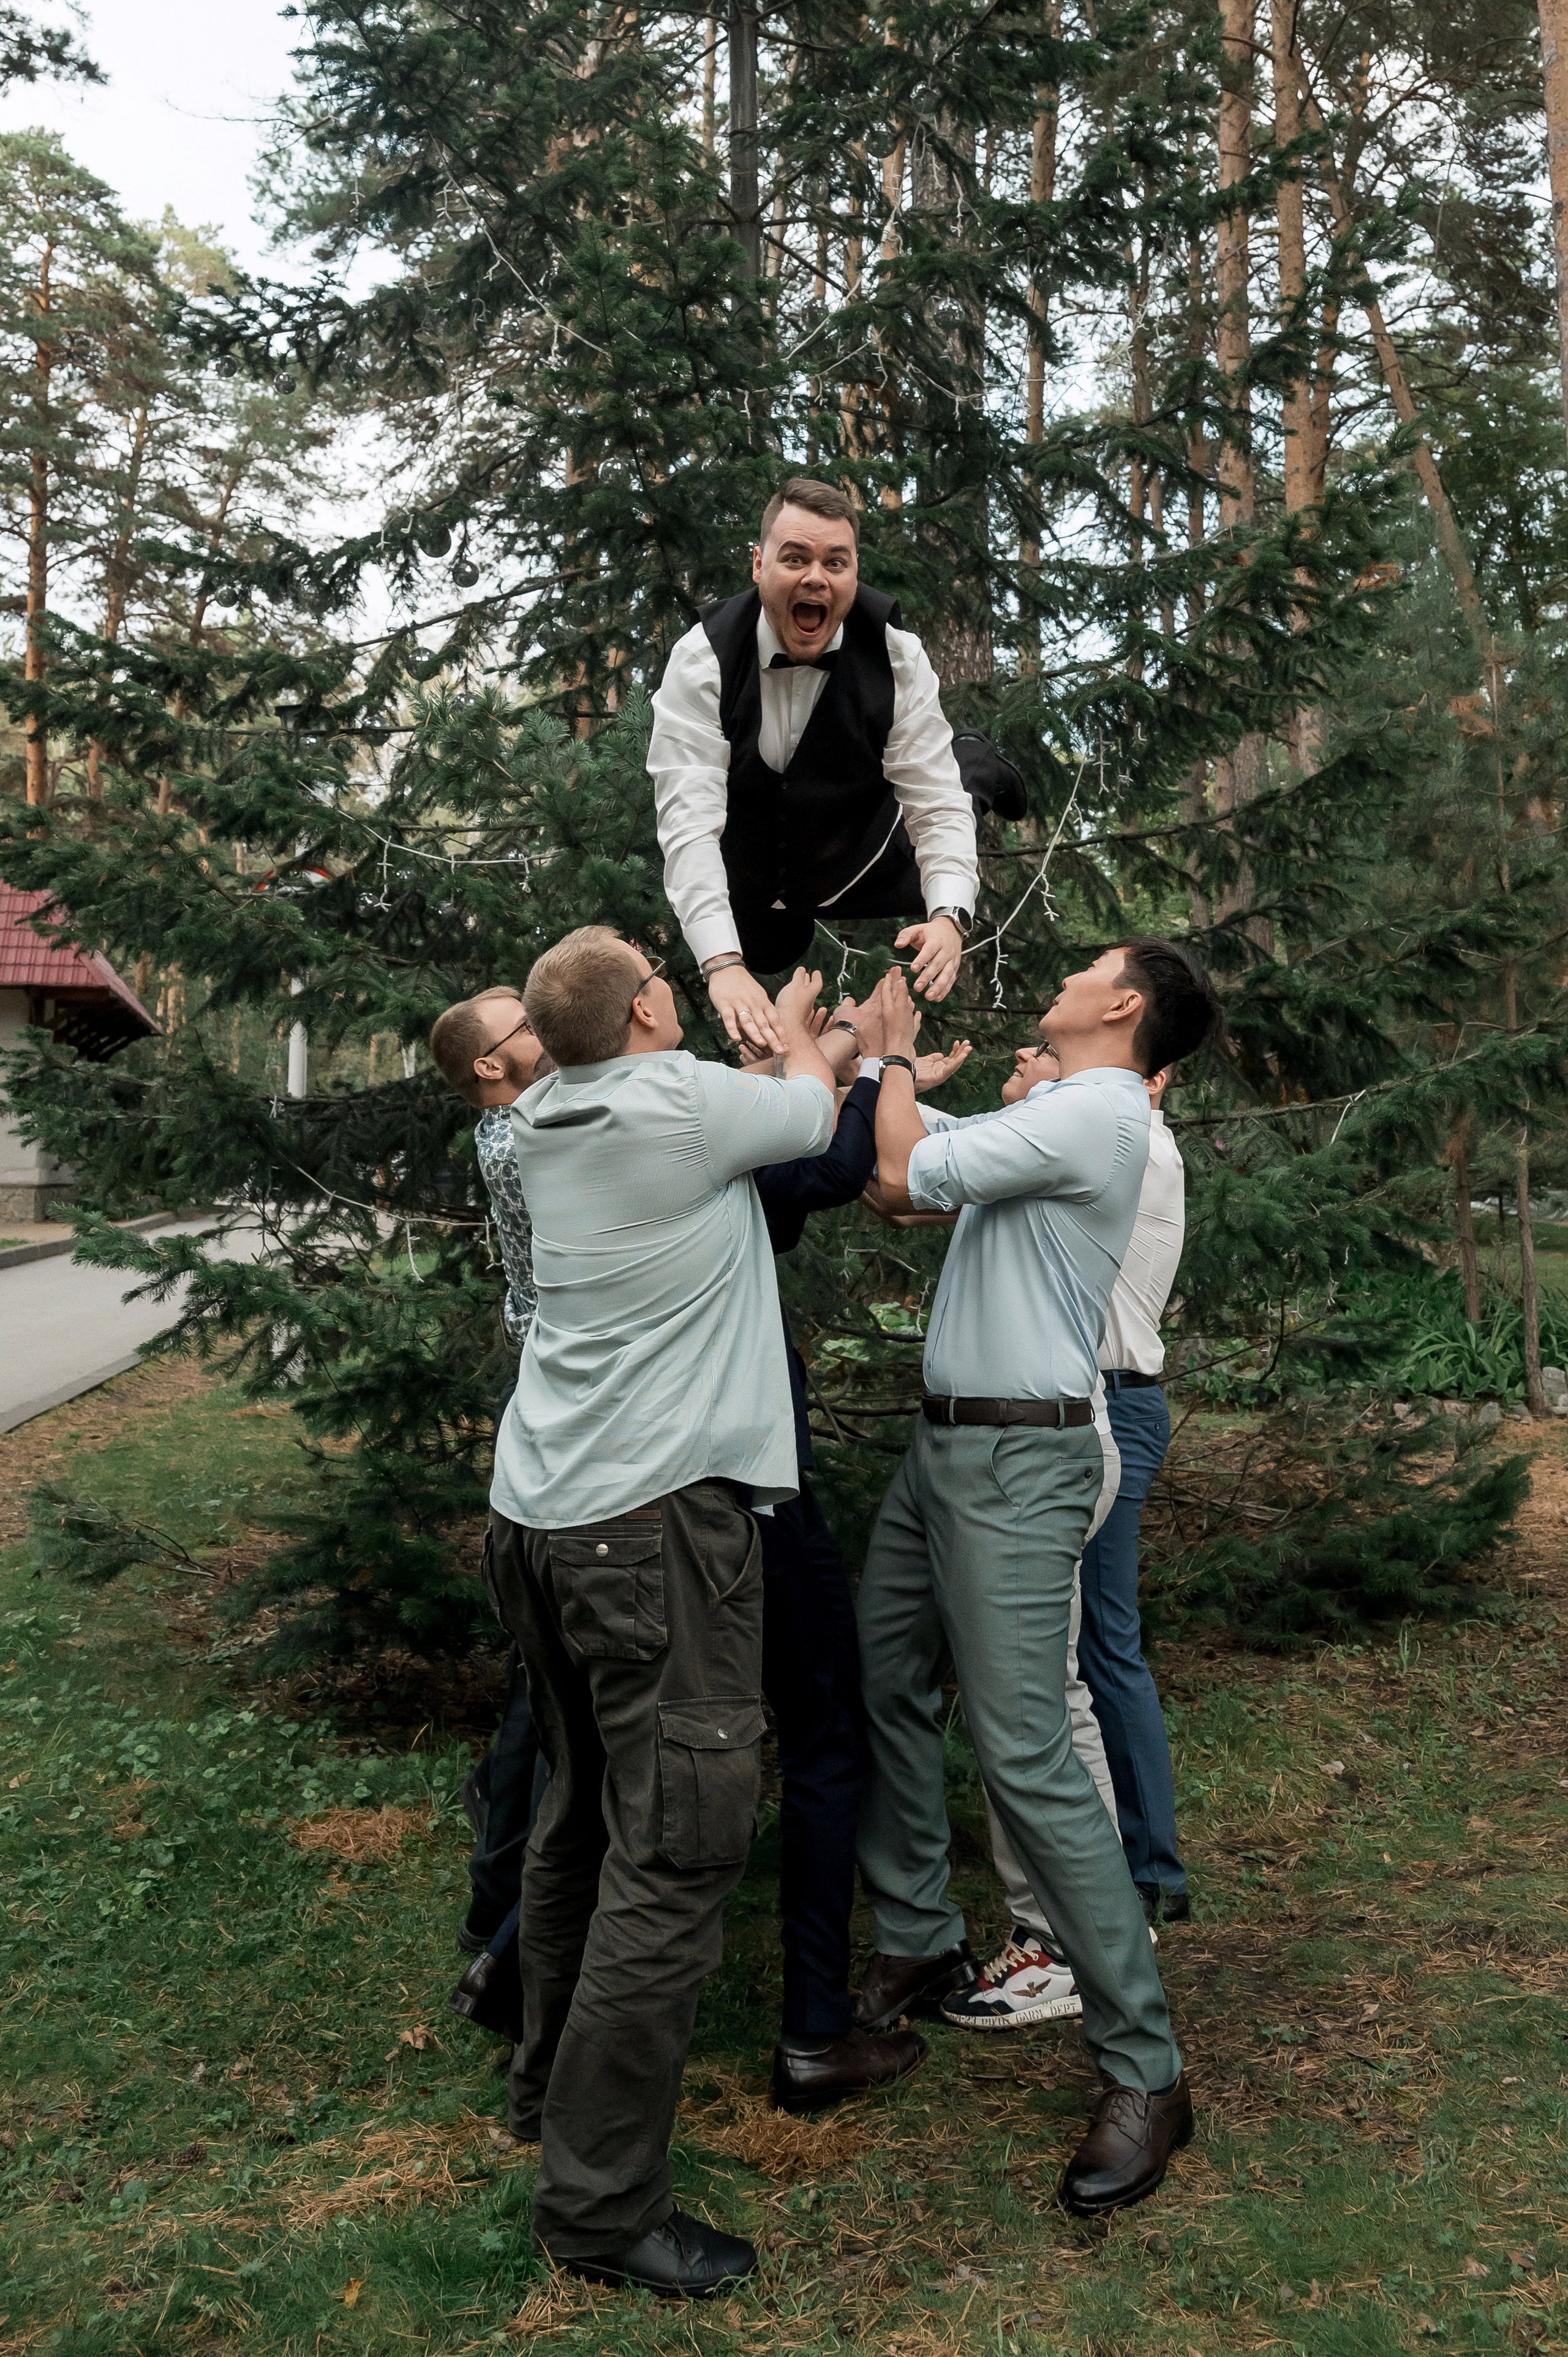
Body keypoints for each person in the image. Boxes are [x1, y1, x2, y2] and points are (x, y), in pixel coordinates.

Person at [482, 927, 837, 2296]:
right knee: (678, 1852)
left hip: (540, 1516)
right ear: (646, 1006)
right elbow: (809, 1107)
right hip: (650, 1533)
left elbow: (742, 1101)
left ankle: (545, 2098)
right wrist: (802, 1015)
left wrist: (778, 1042)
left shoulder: (546, 1116)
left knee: (577, 1815)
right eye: (659, 977)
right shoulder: (679, 1099)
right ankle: (598, 2207)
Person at [850, 940, 1221, 2217]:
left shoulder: (1104, 1110)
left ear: (1122, 1007)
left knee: (1025, 1751)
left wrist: (890, 1055)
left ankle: (1144, 2068)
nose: (1056, 977)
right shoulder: (1052, 1111)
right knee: (884, 1673)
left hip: (1022, 1452)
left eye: (1085, 969)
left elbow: (897, 1159)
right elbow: (890, 1177)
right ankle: (913, 1935)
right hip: (943, 1440)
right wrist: (862, 1058)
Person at [745, 981, 970, 2111]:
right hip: (752, 1494)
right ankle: (813, 2031)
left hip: (633, 1507)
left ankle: (529, 1975)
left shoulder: (595, 1119)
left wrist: (834, 1047)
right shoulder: (702, 1128)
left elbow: (786, 1132)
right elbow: (838, 1167)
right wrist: (877, 1058)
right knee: (825, 1738)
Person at [944, 1046, 1191, 2034]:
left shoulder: (1127, 1140)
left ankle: (1129, 1881)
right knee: (1085, 1660)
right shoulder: (1086, 1131)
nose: (1030, 1062)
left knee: (1091, 1659)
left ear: (1152, 1074)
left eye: (1051, 1058)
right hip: (1087, 1405)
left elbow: (935, 1170)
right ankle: (1128, 1880)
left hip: (1103, 1405)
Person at [647, 475, 992, 1057]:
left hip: (862, 851)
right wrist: (725, 963)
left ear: (855, 573)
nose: (815, 577)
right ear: (758, 566)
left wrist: (951, 915)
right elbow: (689, 825)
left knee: (958, 785)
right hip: (755, 861)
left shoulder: (896, 656)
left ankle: (980, 763)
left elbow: (933, 803)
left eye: (836, 562)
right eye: (795, 558)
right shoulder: (703, 657)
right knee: (742, 907)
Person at [427, 986, 553, 2042]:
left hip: (551, 1410)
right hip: (564, 1413)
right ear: (489, 1067)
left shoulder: (519, 1121)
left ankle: (491, 1902)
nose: (546, 1027)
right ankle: (505, 1921)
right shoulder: (523, 1138)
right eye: (526, 1025)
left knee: (537, 1689)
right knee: (554, 1702)